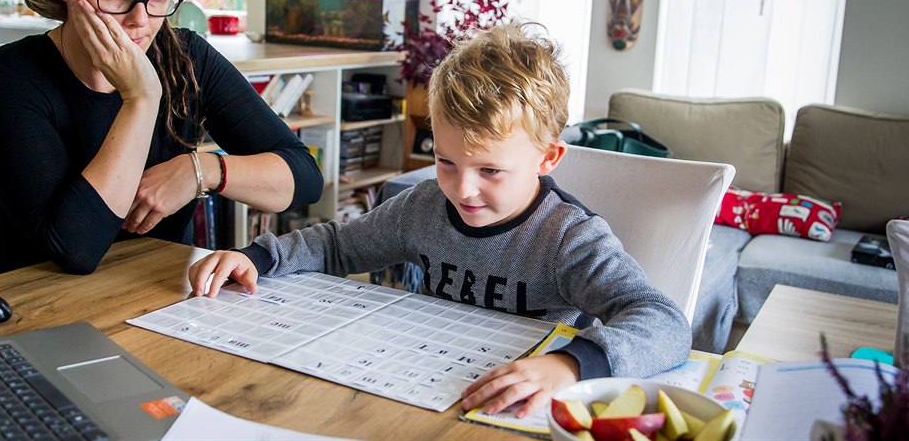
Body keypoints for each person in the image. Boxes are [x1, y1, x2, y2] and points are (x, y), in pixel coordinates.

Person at [188, 23, 691, 417]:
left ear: (548, 158)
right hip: (421, 380)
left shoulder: (568, 238)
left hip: (517, 403)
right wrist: (255, 255)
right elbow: (337, 246)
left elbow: (664, 325)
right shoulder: (424, 207)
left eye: (490, 170)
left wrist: (570, 364)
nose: (462, 188)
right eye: (446, 161)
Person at [0, 0, 323, 277]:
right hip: (39, 307)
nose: (140, 20)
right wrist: (140, 97)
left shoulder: (187, 57)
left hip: (157, 298)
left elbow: (303, 178)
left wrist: (201, 171)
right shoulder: (9, 76)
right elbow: (75, 251)